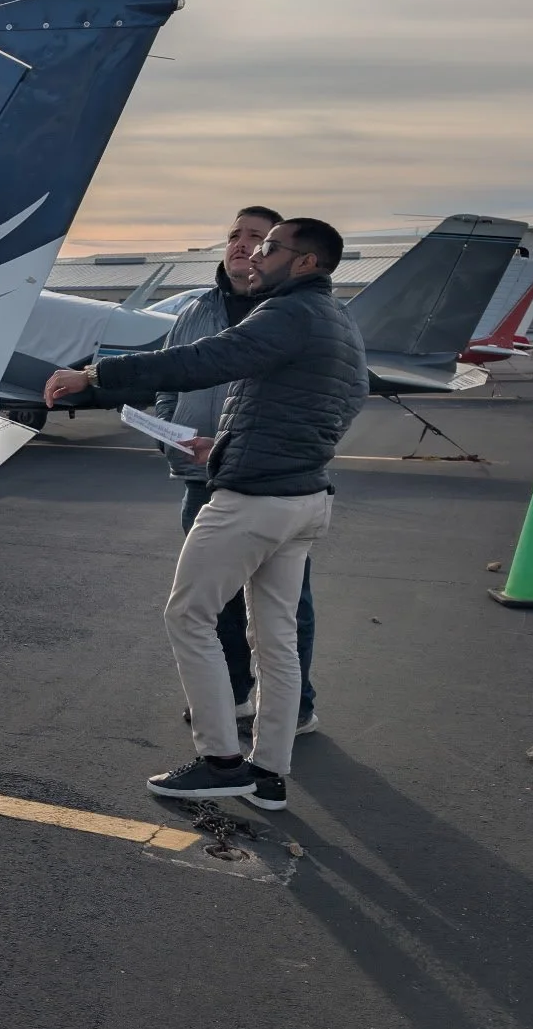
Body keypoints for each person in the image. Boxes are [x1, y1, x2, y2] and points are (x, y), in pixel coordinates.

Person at [44, 218, 368, 811]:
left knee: (188, 616)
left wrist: (95, 375)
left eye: (270, 247)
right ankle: (267, 773)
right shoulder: (338, 321)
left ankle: (220, 761)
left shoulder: (287, 314)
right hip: (303, 500)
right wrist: (218, 448)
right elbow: (326, 407)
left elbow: (203, 361)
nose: (255, 255)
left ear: (306, 263)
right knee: (277, 639)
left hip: (253, 502)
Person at [98, 207, 319, 733]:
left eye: (258, 238)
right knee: (214, 604)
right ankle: (234, 696)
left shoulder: (292, 314)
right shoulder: (196, 310)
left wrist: (94, 375)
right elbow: (172, 380)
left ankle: (296, 707)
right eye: (234, 236)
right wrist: (168, 431)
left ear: (281, 254)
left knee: (281, 607)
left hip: (263, 483)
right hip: (199, 481)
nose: (243, 245)